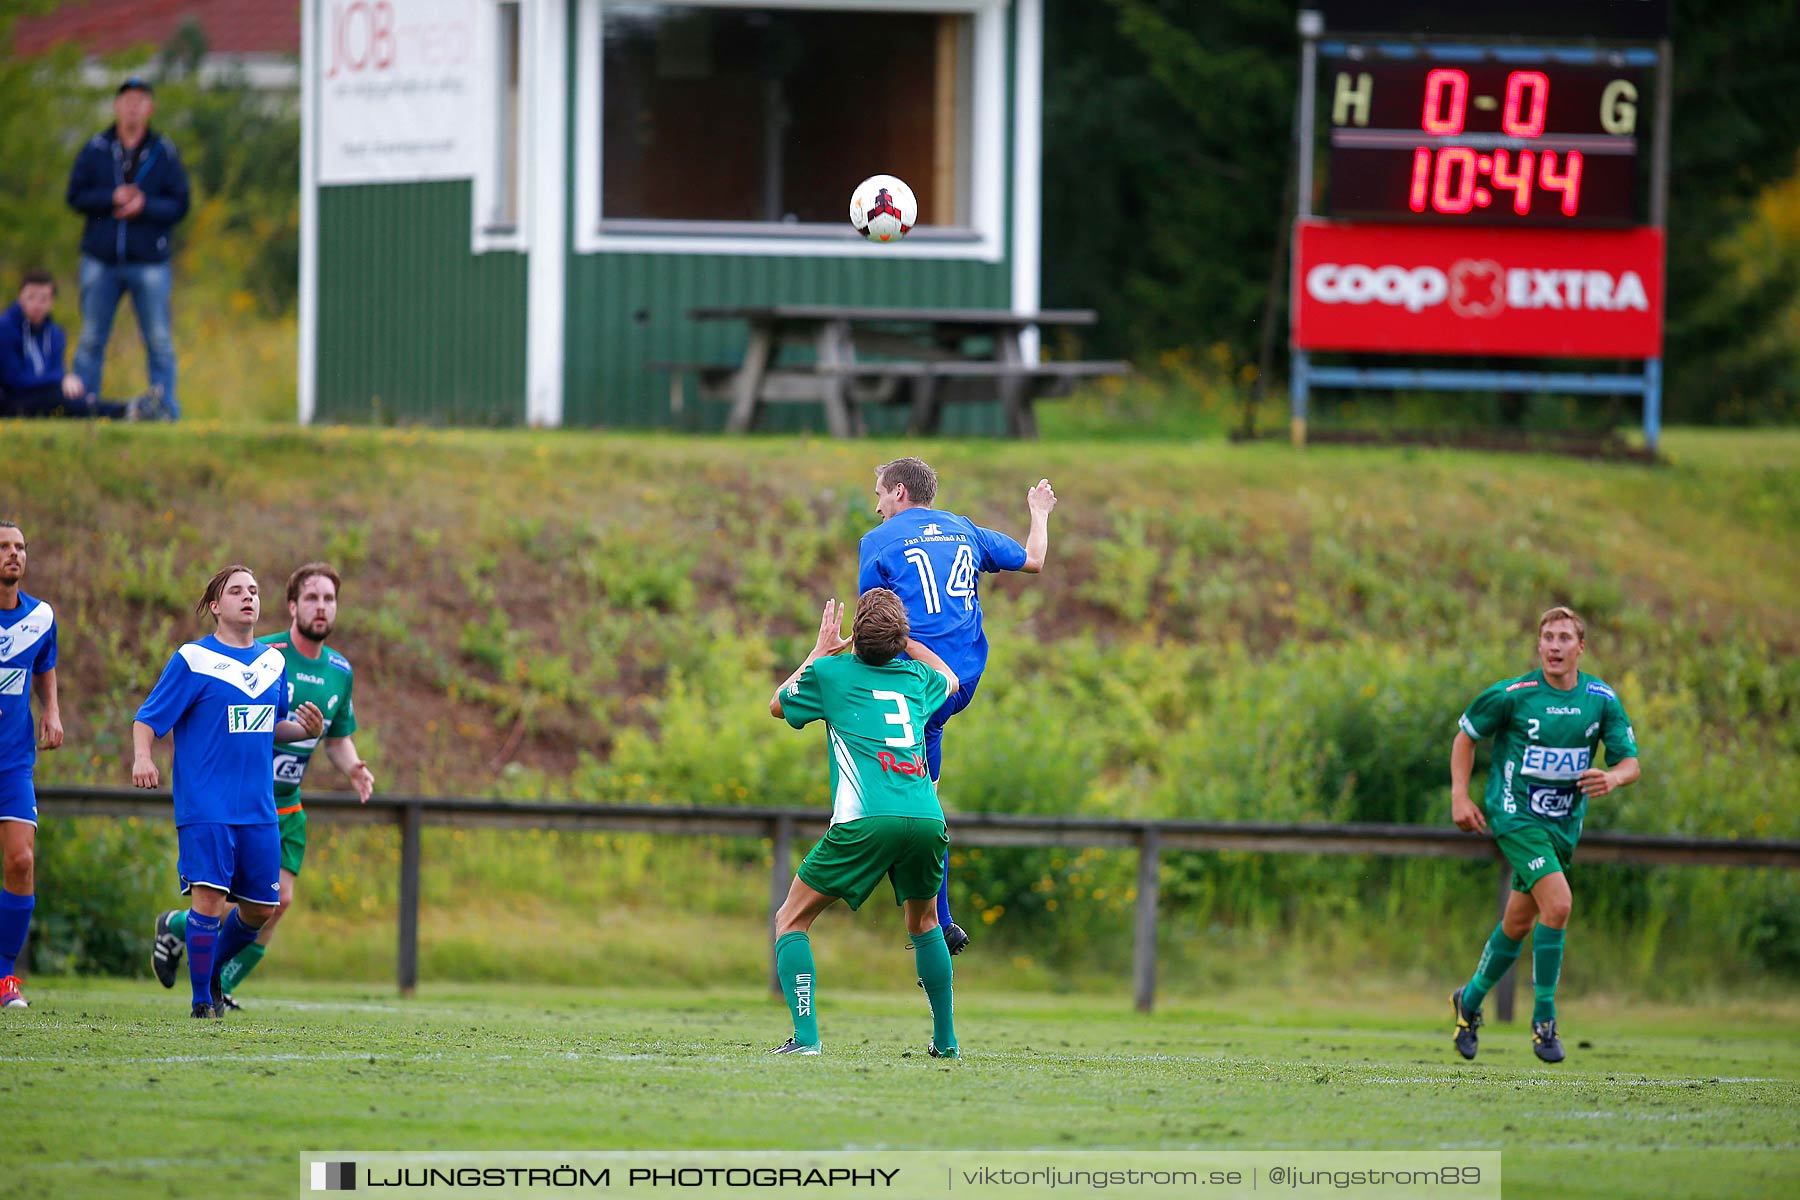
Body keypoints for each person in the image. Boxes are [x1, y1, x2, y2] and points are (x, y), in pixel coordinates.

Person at [857, 457, 1056, 956]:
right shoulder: (964, 529)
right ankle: (938, 917)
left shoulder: (878, 542)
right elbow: (1033, 560)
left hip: (918, 683)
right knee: (926, 794)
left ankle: (916, 898)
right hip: (961, 684)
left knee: (888, 789)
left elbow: (876, 629)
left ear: (899, 492)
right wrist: (1039, 512)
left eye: (880, 493)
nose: (876, 504)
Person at [152, 563, 372, 1006]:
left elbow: (335, 736)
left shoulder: (340, 671)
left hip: (286, 805)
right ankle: (202, 963)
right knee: (223, 899)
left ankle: (206, 964)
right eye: (312, 598)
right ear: (291, 606)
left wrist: (353, 768)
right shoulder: (262, 653)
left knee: (273, 902)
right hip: (238, 798)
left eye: (329, 599)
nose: (321, 607)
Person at [766, 589, 962, 1058]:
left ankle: (807, 1039)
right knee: (926, 922)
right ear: (900, 637)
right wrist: (908, 641)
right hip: (925, 815)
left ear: (856, 635)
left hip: (866, 819)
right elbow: (951, 679)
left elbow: (777, 704)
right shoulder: (917, 678)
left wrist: (820, 651)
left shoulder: (832, 673)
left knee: (791, 919)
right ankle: (947, 1043)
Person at [1447, 606, 1641, 1064]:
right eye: (1547, 638)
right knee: (1559, 904)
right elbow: (1465, 736)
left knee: (1518, 923)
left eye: (1564, 638)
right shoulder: (1514, 695)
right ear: (1539, 645)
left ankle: (1468, 1002)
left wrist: (1613, 778)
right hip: (1514, 814)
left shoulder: (1601, 698)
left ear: (1581, 647)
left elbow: (1631, 762)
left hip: (1563, 824)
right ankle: (1544, 1022)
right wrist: (1460, 795)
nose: (1554, 646)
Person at [132, 566, 324, 1018]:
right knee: (210, 901)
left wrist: (303, 728)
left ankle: (210, 970)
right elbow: (146, 719)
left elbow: (269, 726)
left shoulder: (273, 663)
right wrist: (143, 756)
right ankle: (203, 1004)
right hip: (206, 803)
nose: (248, 597)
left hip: (258, 806)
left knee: (262, 908)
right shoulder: (192, 660)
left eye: (254, 591)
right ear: (216, 606)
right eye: (236, 591)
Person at [65, 76, 189, 420]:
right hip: (100, 260)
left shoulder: (163, 151)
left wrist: (144, 205)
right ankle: (83, 408)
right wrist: (110, 199)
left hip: (148, 261)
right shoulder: (96, 148)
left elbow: (180, 204)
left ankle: (165, 409)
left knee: (159, 340)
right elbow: (75, 196)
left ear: (150, 108)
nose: (132, 106)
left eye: (140, 100)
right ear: (116, 106)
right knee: (91, 339)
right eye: (127, 100)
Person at [0, 522, 63, 1010]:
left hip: (13, 762)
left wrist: (53, 712)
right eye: (3, 547)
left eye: (20, 546)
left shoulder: (40, 617)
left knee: (21, 861)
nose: (13, 554)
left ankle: (4, 980)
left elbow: (44, 666)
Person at [0, 270, 156, 419]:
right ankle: (127, 410)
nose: (37, 304)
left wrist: (60, 381)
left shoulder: (55, 334)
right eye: (31, 297)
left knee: (68, 395)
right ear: (20, 297)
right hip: (12, 398)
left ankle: (130, 409)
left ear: (51, 302)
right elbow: (14, 380)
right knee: (59, 397)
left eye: (43, 299)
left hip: (45, 396)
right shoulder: (6, 328)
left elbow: (55, 371)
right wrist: (60, 380)